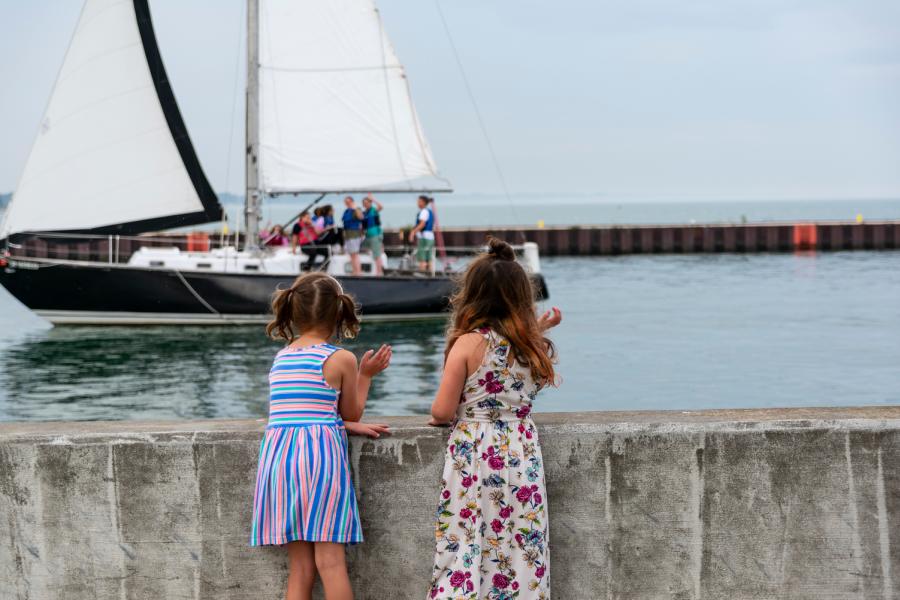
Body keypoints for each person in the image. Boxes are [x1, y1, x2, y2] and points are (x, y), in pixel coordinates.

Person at [426, 238, 562, 600]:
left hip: (475, 452)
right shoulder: (532, 344)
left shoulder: (469, 343)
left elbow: (441, 411)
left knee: (468, 540)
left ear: (472, 294)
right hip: (521, 452)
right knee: (521, 544)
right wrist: (540, 329)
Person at [250, 272, 393, 600]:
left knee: (300, 569)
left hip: (279, 463)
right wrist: (366, 375)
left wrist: (336, 422)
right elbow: (351, 414)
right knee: (330, 562)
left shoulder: (282, 357)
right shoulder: (340, 358)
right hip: (319, 463)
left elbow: (297, 413)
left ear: (294, 313)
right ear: (339, 313)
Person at [408, 195, 435, 272]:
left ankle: (423, 274)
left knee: (422, 259)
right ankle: (430, 274)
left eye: (419, 201)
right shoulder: (429, 211)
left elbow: (422, 224)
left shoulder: (423, 211)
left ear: (423, 202)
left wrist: (413, 232)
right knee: (429, 258)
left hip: (424, 237)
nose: (417, 203)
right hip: (430, 237)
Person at [341, 196, 365, 276]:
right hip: (348, 235)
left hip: (354, 234)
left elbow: (361, 217)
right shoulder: (347, 211)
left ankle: (358, 272)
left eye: (348, 202)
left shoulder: (355, 210)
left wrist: (355, 208)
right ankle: (355, 271)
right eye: (346, 202)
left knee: (355, 254)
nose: (347, 203)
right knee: (351, 254)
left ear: (352, 201)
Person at [362, 194, 384, 276]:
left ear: (370, 203)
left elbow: (381, 207)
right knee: (364, 249)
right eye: (364, 203)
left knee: (377, 254)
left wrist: (373, 199)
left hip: (375, 234)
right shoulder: (364, 213)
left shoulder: (373, 210)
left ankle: (379, 272)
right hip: (367, 236)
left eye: (367, 202)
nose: (365, 204)